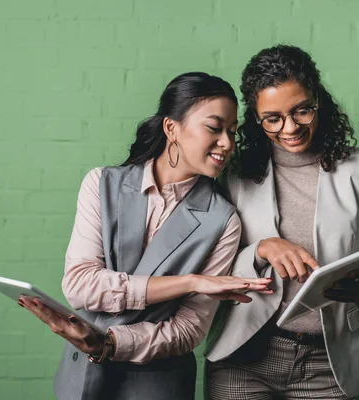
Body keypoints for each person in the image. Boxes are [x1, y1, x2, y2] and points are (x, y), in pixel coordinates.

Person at [19, 72, 273, 400]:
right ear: (172, 128)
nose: (227, 143)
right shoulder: (101, 184)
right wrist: (189, 282)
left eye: (232, 132)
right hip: (81, 379)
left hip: (158, 386)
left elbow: (189, 329)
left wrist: (110, 343)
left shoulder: (223, 221)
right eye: (214, 127)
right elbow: (80, 285)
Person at [204, 45, 359, 399]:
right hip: (243, 356)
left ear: (318, 101)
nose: (290, 128)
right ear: (256, 118)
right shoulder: (232, 173)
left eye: (302, 111)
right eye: (273, 118)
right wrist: (261, 250)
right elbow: (206, 268)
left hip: (330, 361)